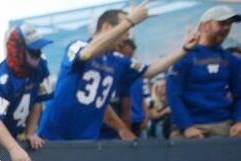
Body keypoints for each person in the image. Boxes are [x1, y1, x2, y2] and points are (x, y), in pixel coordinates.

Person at [39, 1, 199, 141]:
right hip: (54, 133)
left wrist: (184, 49)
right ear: (107, 27)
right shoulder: (77, 45)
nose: (125, 38)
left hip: (87, 137)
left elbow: (150, 71)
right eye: (124, 32)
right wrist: (129, 21)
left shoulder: (119, 61)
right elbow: (88, 53)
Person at [0, 24, 53, 161]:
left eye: (39, 50)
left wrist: (31, 132)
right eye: (33, 51)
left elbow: (38, 100)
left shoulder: (40, 66)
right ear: (18, 51)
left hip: (12, 135)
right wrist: (14, 148)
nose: (38, 55)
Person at [167, 5, 241, 139]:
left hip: (222, 125)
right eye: (222, 23)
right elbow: (173, 94)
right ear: (205, 26)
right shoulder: (183, 57)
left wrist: (239, 120)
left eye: (229, 24)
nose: (227, 28)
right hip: (189, 128)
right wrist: (186, 126)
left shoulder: (232, 60)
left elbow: (239, 93)